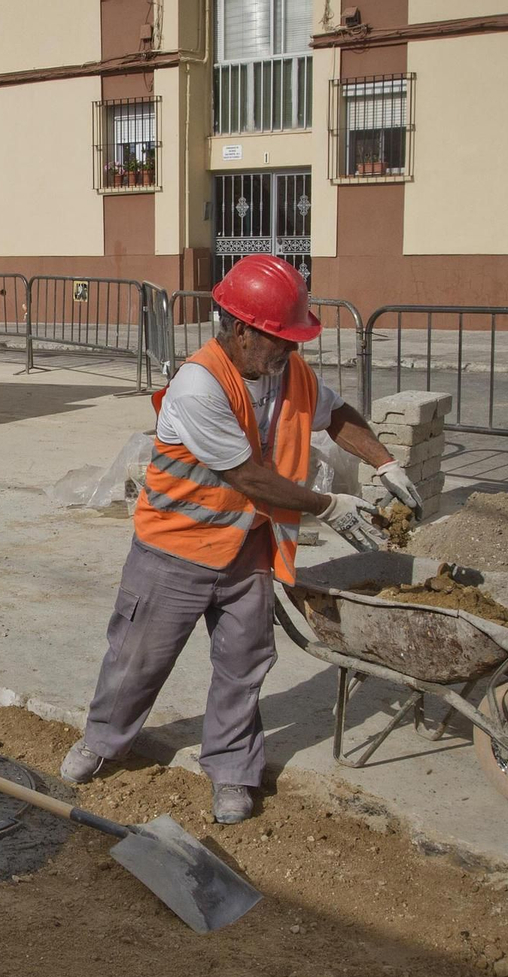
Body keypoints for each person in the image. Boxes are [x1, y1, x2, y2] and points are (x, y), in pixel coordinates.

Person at [58, 254, 421, 824]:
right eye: (279, 338)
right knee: (137, 658)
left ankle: (231, 770)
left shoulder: (288, 373)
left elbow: (336, 413)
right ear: (240, 328)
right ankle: (104, 741)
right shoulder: (198, 385)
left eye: (293, 339)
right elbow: (248, 475)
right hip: (174, 547)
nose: (289, 351)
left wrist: (385, 463)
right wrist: (329, 505)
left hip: (247, 545)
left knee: (244, 663)